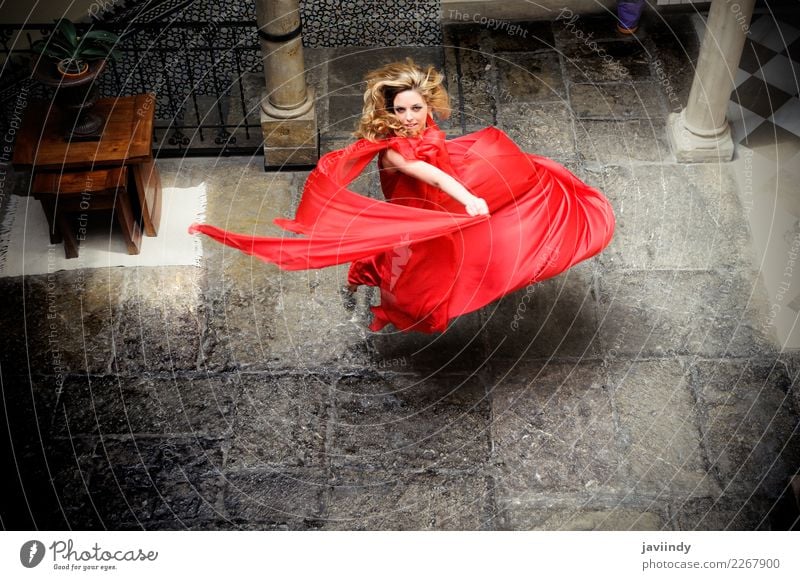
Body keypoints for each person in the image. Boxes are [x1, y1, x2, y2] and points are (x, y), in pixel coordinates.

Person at [189, 59, 615, 333]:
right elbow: (423, 170)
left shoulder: (423, 125)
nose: (410, 118)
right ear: (387, 113)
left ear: (426, 105)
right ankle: (400, 305)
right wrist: (467, 198)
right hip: (422, 205)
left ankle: (375, 277)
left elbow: (438, 156)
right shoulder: (394, 147)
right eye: (400, 111)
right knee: (418, 268)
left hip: (436, 201)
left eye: (416, 108)